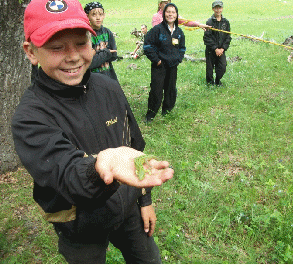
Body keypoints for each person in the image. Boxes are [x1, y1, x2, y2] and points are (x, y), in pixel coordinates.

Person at [12, 0, 174, 263]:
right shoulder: (30, 117)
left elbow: (135, 146)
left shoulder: (107, 88)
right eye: (56, 47)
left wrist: (144, 201)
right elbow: (66, 174)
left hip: (128, 211)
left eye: (80, 42)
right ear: (31, 52)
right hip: (81, 228)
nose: (73, 55)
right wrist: (100, 166)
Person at [143, 2, 186, 123]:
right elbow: (147, 46)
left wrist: (178, 59)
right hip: (159, 66)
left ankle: (167, 111)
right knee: (156, 90)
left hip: (173, 66)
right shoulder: (157, 30)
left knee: (170, 88)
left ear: (176, 15)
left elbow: (182, 48)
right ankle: (150, 114)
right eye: (168, 12)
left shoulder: (179, 32)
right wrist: (157, 60)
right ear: (164, 13)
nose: (170, 14)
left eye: (173, 12)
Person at [84, 2, 119, 81]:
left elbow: (114, 55)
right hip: (93, 78)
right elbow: (89, 63)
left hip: (109, 75)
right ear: (87, 16)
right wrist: (106, 53)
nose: (98, 18)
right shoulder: (86, 35)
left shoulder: (107, 32)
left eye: (100, 14)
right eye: (94, 15)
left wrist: (97, 55)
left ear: (104, 15)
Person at [203, 0, 232, 86]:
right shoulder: (209, 22)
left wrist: (222, 49)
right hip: (211, 50)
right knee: (210, 68)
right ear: (213, 9)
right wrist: (215, 48)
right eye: (216, 8)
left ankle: (218, 81)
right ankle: (209, 83)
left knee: (222, 66)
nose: (218, 10)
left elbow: (228, 37)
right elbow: (207, 37)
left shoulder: (225, 22)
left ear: (222, 9)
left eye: (219, 8)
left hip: (221, 50)